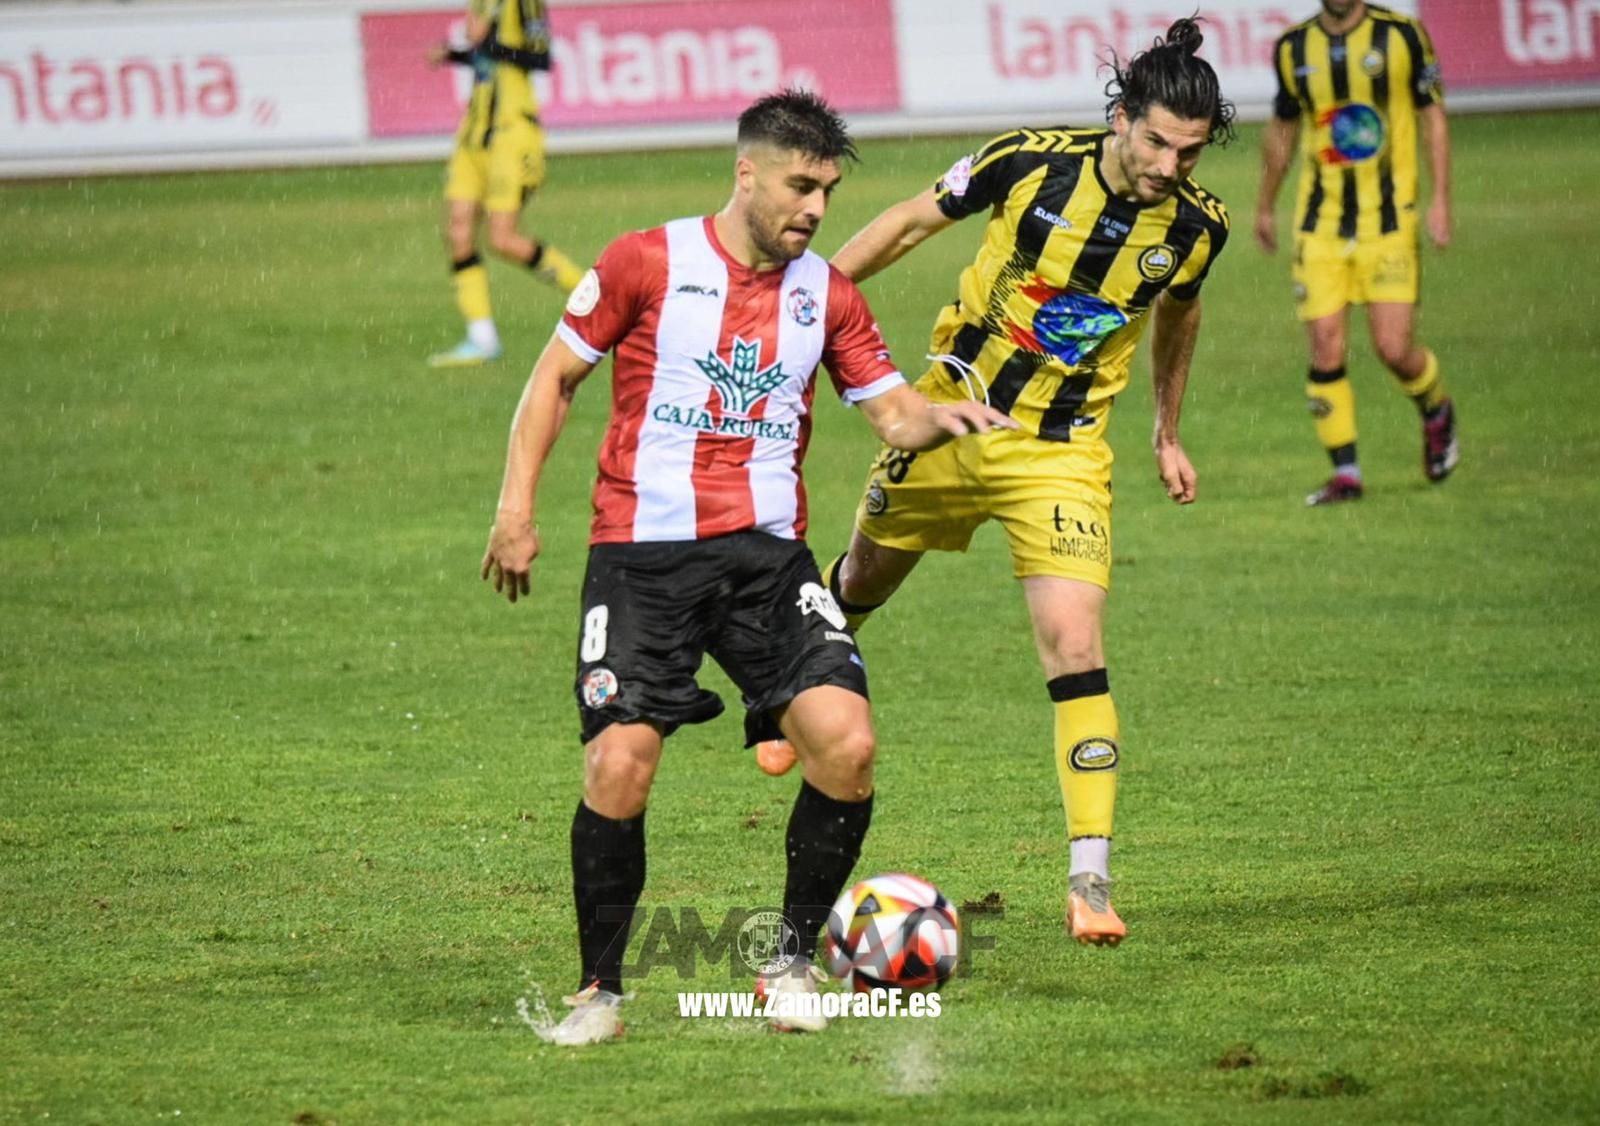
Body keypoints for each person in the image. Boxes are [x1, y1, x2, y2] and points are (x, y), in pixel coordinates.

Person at [480, 89, 1015, 1046]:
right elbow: (555, 377)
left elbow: (891, 411)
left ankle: (791, 962)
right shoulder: (646, 260)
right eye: (800, 186)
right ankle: (599, 993)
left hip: (768, 562)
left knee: (846, 746)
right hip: (641, 556)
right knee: (619, 764)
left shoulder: (828, 293)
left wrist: (940, 420)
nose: (816, 208)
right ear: (746, 173)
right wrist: (514, 510)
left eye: (828, 191)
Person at [754, 19, 1233, 949]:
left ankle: (1090, 880)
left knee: (1075, 642)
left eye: (1190, 152)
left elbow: (1181, 314)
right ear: (1122, 116)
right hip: (946, 416)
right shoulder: (1029, 162)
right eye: (1156, 143)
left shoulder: (1194, 227)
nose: (1170, 167)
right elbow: (908, 222)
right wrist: (805, 299)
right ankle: (788, 695)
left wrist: (1167, 430)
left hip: (1061, 450)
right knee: (859, 580)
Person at [1254, 0, 1458, 505]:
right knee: (1326, 347)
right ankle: (1346, 475)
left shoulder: (1402, 36)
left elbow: (1432, 116)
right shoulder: (1294, 47)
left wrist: (1440, 200)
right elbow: (1283, 129)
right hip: (1320, 225)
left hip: (1388, 222)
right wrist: (1265, 204)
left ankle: (1435, 408)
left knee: (1394, 349)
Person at [426, 0, 586, 368]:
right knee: (458, 232)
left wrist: (487, 42)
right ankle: (482, 339)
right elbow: (486, 62)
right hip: (473, 134)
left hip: (512, 134)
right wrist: (455, 54)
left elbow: (540, 58)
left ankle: (594, 297)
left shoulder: (524, 3)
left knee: (502, 239)